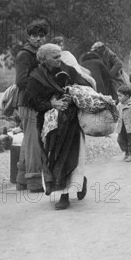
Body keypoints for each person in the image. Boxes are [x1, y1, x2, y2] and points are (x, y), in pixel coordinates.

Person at [26, 44, 91, 210]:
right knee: (52, 156)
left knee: (69, 156)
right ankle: (75, 182)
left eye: (59, 56)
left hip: (70, 123)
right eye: (55, 57)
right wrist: (51, 103)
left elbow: (85, 87)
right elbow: (31, 101)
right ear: (44, 59)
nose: (59, 60)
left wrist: (73, 93)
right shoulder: (35, 77)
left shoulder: (69, 70)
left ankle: (65, 195)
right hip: (48, 126)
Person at [15, 19, 49, 192]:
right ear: (29, 37)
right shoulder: (25, 55)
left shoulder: (40, 53)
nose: (38, 39)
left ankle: (21, 181)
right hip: (28, 101)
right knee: (33, 141)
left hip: (35, 101)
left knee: (29, 140)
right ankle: (34, 182)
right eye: (34, 36)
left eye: (41, 36)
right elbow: (21, 82)